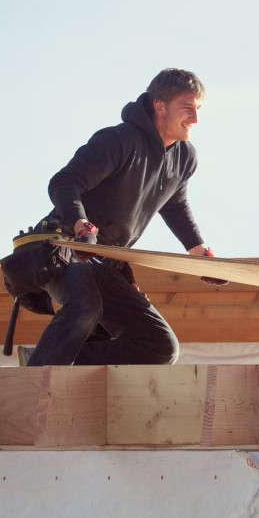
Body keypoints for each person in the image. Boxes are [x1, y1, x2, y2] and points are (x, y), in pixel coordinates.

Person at [23, 68, 220, 366]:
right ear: (160, 106)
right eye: (187, 108)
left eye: (198, 109)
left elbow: (174, 205)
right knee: (86, 306)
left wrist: (197, 250)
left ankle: (47, 362)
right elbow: (64, 182)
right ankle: (35, 381)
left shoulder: (184, 157)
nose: (195, 118)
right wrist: (80, 223)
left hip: (107, 265)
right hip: (65, 249)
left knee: (160, 347)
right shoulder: (119, 140)